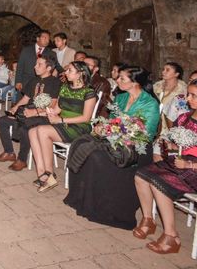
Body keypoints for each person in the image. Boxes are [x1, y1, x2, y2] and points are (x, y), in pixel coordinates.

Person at [63, 66, 160, 230]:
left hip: (137, 147)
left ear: (135, 82)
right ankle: (82, 198)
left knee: (96, 156)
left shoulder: (149, 103)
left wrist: (117, 131)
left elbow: (146, 134)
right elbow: (113, 119)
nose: (118, 80)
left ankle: (106, 208)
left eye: (122, 78)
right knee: (80, 143)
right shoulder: (121, 97)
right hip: (115, 139)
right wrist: (105, 127)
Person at [133, 79, 197, 254]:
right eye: (189, 94)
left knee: (159, 182)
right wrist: (172, 145)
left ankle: (171, 235)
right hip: (180, 162)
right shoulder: (184, 117)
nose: (187, 99)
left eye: (193, 96)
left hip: (193, 168)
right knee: (141, 174)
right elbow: (176, 139)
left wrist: (189, 163)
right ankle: (148, 219)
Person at [28, 61, 97, 192]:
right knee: (32, 131)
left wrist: (61, 120)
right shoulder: (65, 87)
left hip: (79, 127)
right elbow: (58, 109)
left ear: (80, 73)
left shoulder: (89, 92)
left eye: (70, 70)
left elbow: (86, 118)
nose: (66, 72)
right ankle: (42, 174)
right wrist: (50, 111)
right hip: (62, 122)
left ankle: (50, 174)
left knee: (42, 131)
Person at [0, 56, 61, 171]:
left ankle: (22, 159)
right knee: (3, 121)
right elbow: (26, 98)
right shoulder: (34, 80)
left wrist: (34, 112)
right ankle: (9, 152)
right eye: (36, 64)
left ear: (48, 68)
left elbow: (53, 106)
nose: (35, 67)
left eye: (39, 64)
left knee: (26, 127)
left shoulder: (55, 83)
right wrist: (15, 108)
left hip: (44, 116)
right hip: (28, 112)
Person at [153, 62, 187, 129]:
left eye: (167, 70)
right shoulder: (156, 86)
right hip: (156, 119)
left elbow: (182, 111)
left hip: (171, 122)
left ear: (176, 74)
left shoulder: (183, 89)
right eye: (163, 69)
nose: (163, 72)